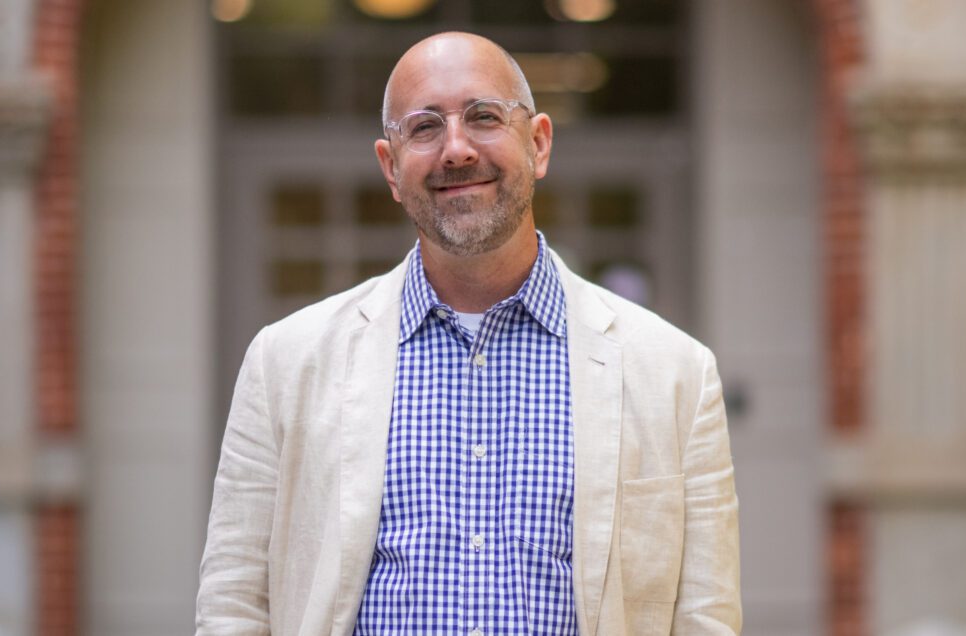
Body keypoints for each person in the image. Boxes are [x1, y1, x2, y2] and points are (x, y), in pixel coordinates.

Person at [196, 31, 741, 635]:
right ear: (391, 167)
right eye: (424, 127)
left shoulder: (676, 375)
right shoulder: (284, 363)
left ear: (538, 144)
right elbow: (234, 604)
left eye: (483, 117)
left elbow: (706, 619)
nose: (455, 149)